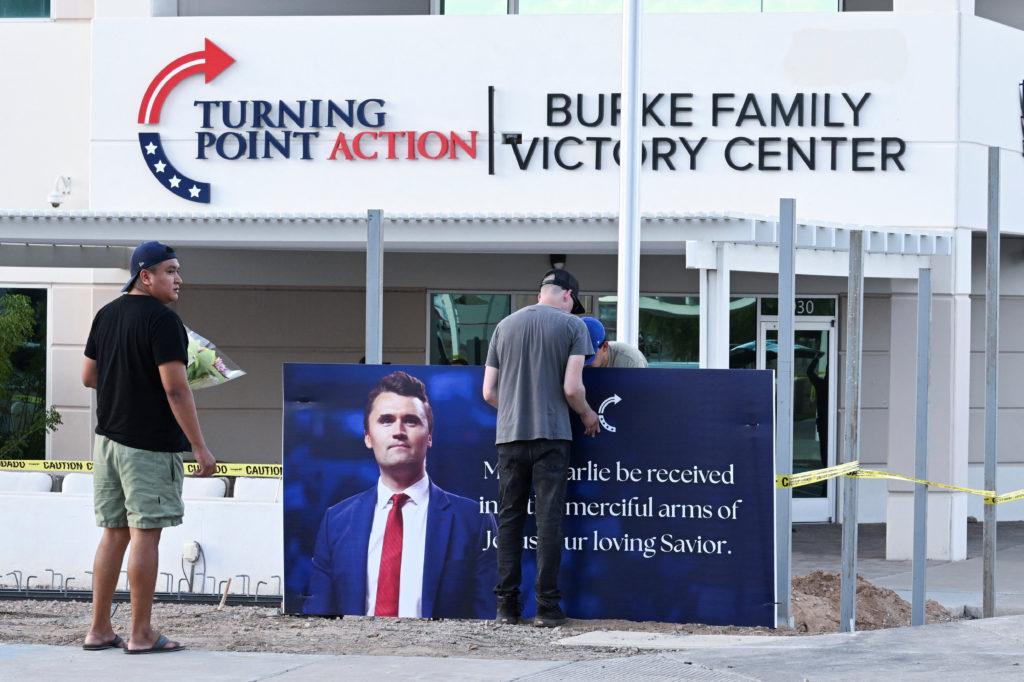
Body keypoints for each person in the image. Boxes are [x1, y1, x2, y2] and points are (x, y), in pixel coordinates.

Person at [81, 240, 216, 654]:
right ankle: (140, 634)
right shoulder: (163, 321)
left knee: (113, 534)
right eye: (171, 271)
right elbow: (176, 390)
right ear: (146, 275)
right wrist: (200, 447)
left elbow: (88, 377)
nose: (179, 279)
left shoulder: (106, 314)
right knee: (145, 535)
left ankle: (99, 629)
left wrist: (129, 378)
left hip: (107, 441)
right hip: (149, 445)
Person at [304, 370, 497, 619]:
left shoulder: (474, 521)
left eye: (410, 420)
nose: (398, 431)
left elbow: (489, 620)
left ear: (429, 436)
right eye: (386, 420)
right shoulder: (336, 521)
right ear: (368, 437)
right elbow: (319, 615)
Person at [482, 269, 600, 627]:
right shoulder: (572, 326)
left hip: (509, 437)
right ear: (566, 296)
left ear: (541, 294)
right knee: (548, 520)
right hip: (552, 436)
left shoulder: (504, 326)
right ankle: (546, 608)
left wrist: (517, 411)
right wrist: (588, 414)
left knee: (510, 518)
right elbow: (572, 389)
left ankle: (506, 607)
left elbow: (488, 392)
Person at [581, 317, 649, 368]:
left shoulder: (630, 361)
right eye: (579, 355)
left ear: (605, 346)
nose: (584, 363)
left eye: (589, 356)